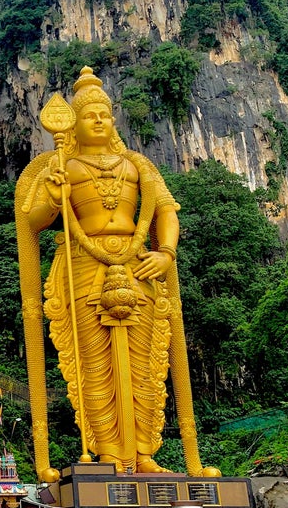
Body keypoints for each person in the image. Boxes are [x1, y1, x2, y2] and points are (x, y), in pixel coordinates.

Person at [17, 68, 218, 482]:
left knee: (147, 363)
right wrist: (55, 196)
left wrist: (165, 253)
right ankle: (108, 453)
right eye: (88, 114)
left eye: (104, 114)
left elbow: (166, 211)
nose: (98, 120)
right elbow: (33, 221)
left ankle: (144, 453)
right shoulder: (63, 165)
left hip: (138, 262)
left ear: (113, 120)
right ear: (73, 122)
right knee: (93, 365)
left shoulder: (137, 164)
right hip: (83, 265)